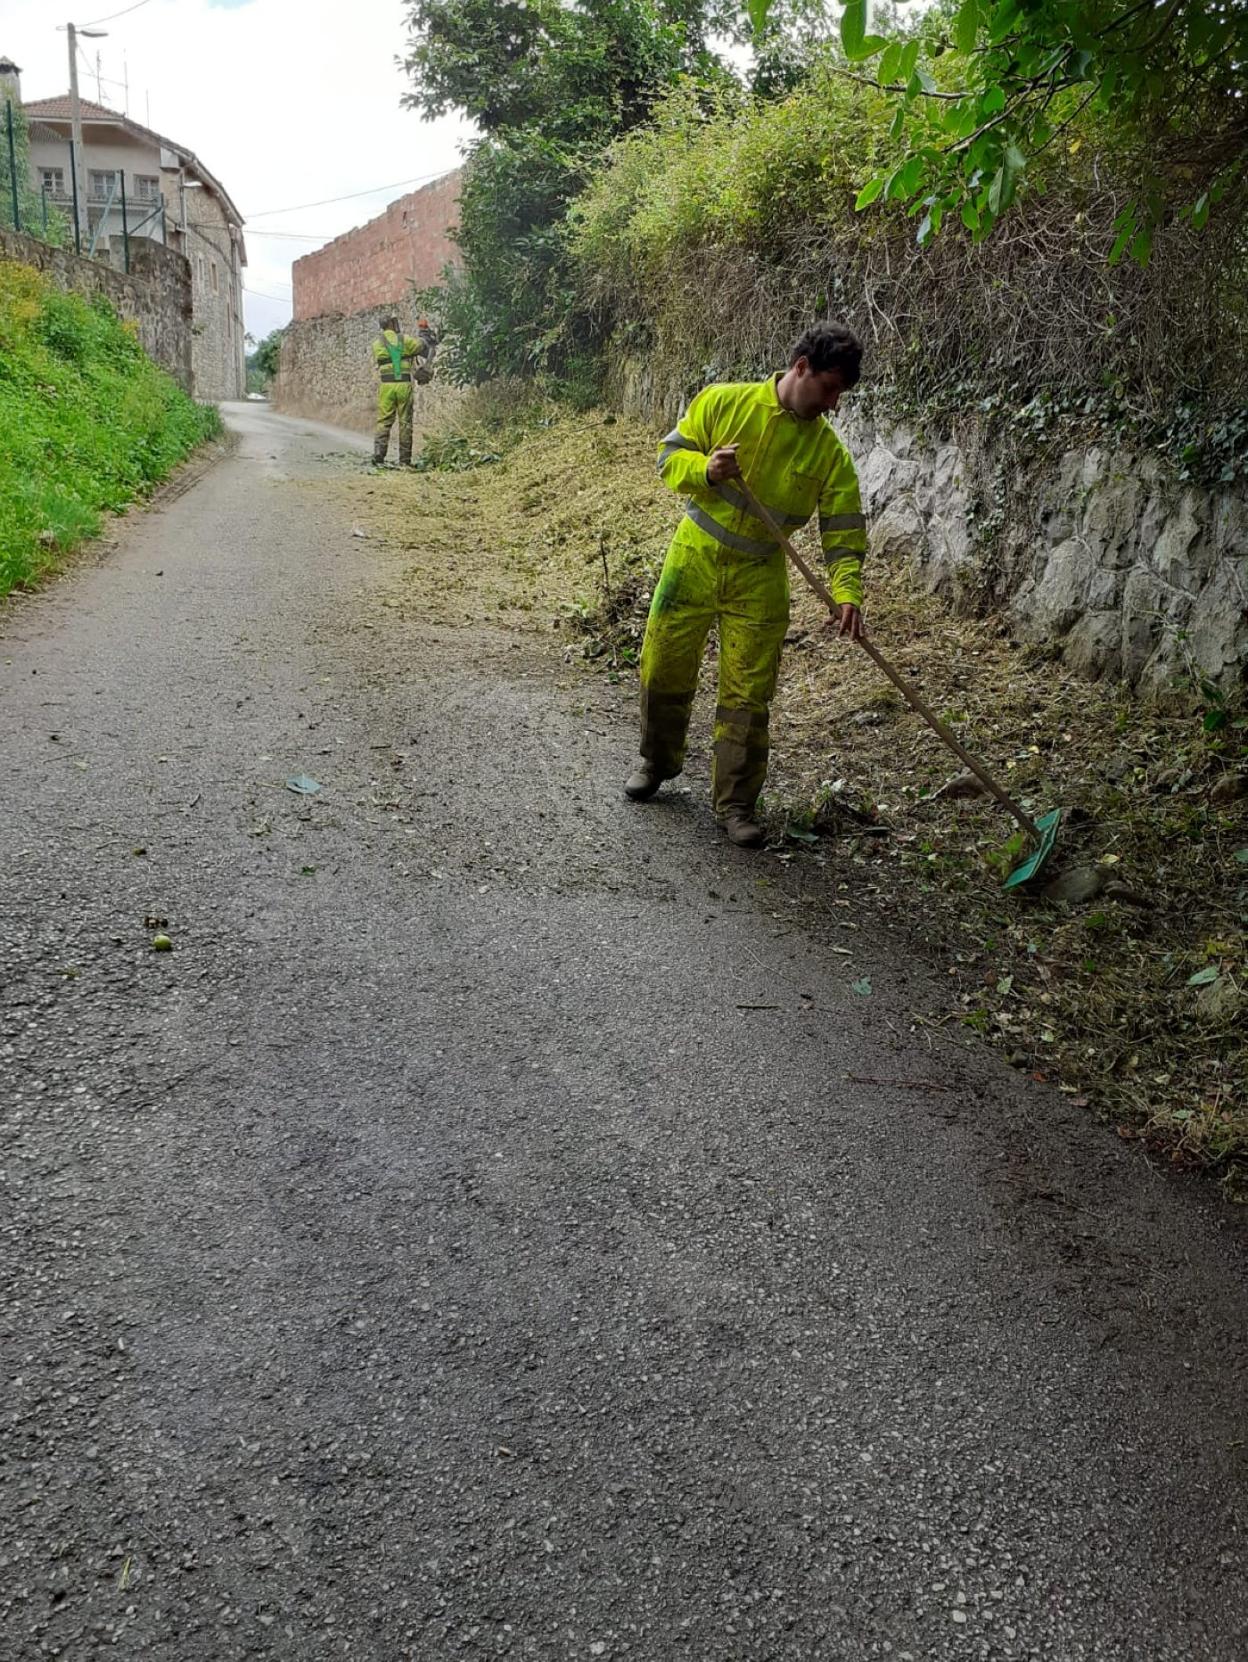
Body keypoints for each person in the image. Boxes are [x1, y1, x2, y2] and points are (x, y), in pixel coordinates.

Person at [623, 322, 868, 849]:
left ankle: (735, 804)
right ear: (800, 367)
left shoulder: (829, 453)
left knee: (748, 698)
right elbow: (668, 458)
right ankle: (656, 762)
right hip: (693, 557)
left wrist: (847, 591)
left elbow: (843, 528)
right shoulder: (724, 402)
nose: (833, 403)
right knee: (662, 666)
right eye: (829, 388)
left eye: (840, 393)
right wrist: (706, 470)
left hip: (760, 577)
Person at [370, 315, 434, 467]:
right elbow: (420, 346)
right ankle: (404, 461)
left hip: (386, 387)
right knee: (405, 422)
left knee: (384, 421)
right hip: (403, 385)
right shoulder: (403, 340)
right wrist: (425, 336)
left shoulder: (377, 343)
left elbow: (393, 355)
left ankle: (379, 455)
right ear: (392, 324)